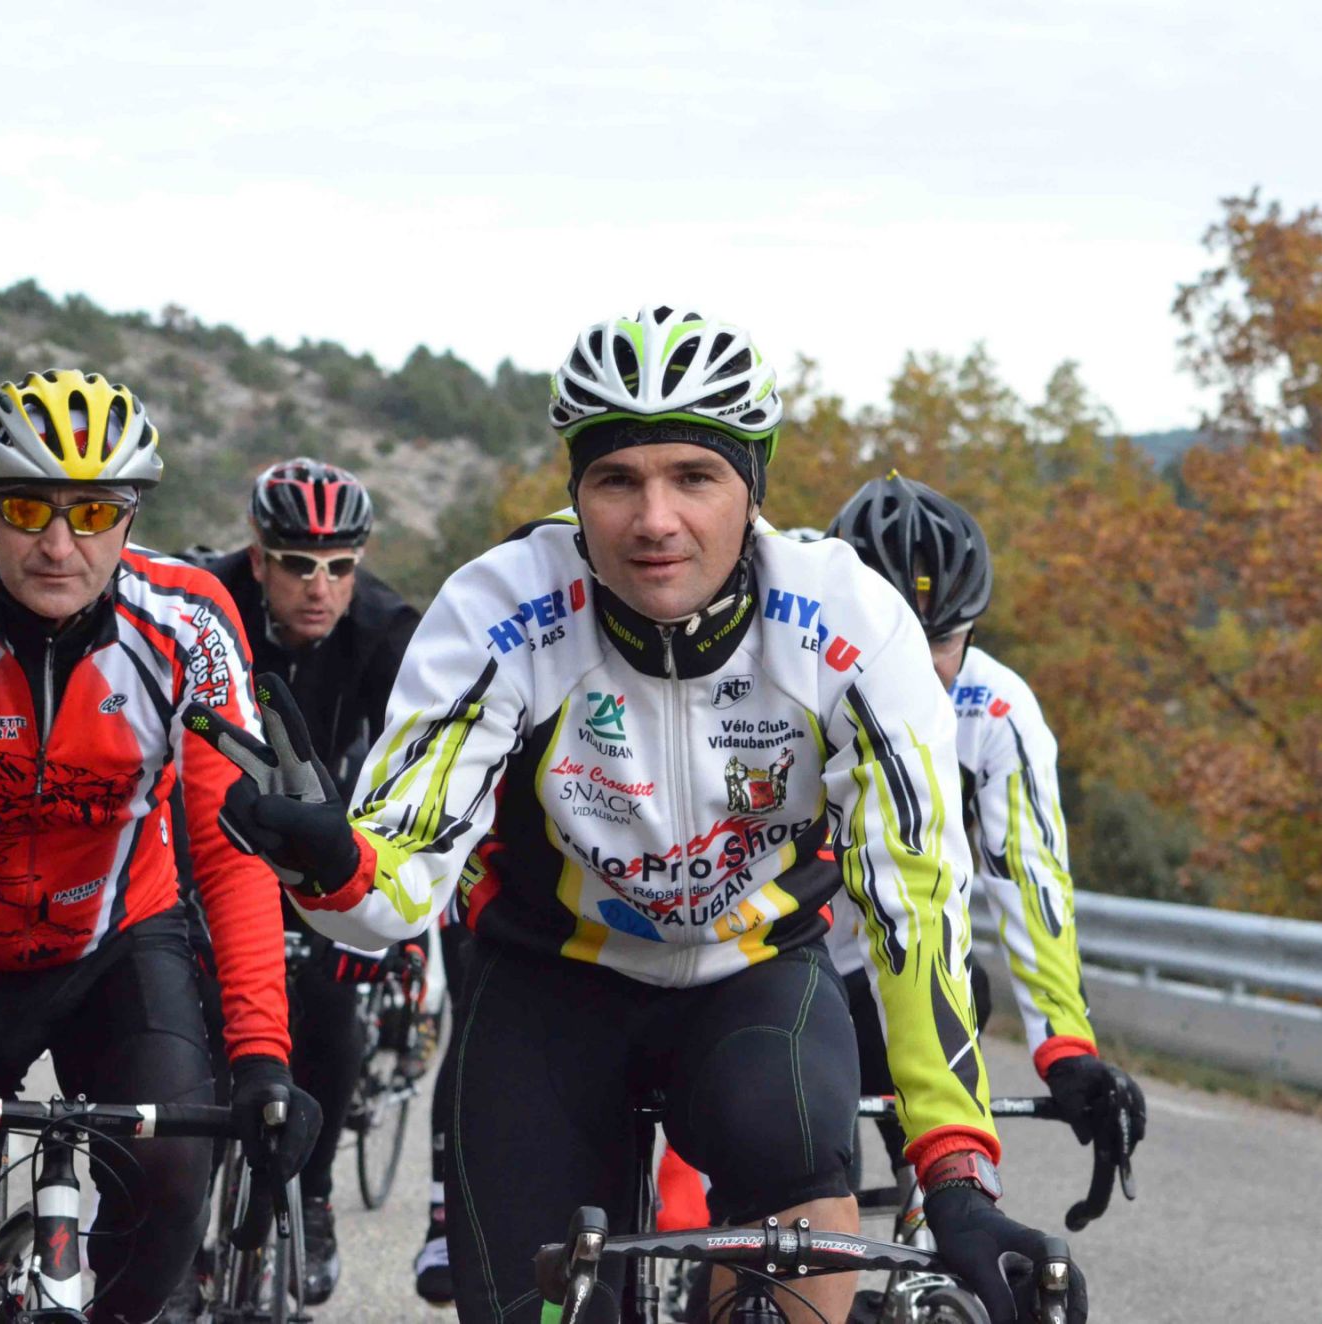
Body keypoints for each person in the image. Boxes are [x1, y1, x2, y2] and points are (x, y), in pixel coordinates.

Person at [187, 307, 1088, 1324]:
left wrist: (956, 1174)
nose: (655, 519)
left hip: (753, 976)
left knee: (790, 1164)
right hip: (547, 983)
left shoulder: (848, 620)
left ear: (753, 487)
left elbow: (915, 902)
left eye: (693, 477)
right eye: (617, 480)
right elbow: (397, 882)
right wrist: (331, 866)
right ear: (577, 493)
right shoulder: (500, 608)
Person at [0, 370, 316, 1323]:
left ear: (129, 518)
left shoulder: (190, 624)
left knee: (175, 1178)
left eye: (91, 513)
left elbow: (233, 849)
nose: (57, 543)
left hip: (114, 951)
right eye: (27, 507)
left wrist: (262, 1059)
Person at [825, 473, 1146, 1184]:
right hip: (790, 960)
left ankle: (923, 1226)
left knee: (946, 1162)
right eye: (891, 634)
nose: (916, 664)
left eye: (942, 640)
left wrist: (1065, 1046)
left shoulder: (998, 708)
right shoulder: (794, 679)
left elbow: (1030, 875)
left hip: (910, 959)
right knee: (805, 1169)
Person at [189, 456, 421, 1303]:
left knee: (328, 1005)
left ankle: (313, 1196)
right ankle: (183, 1215)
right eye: (297, 565)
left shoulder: (387, 630)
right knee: (193, 1010)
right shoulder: (204, 605)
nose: (321, 588)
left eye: (340, 566)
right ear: (258, 559)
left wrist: (385, 923)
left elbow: (418, 791)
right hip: (213, 838)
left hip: (332, 845)